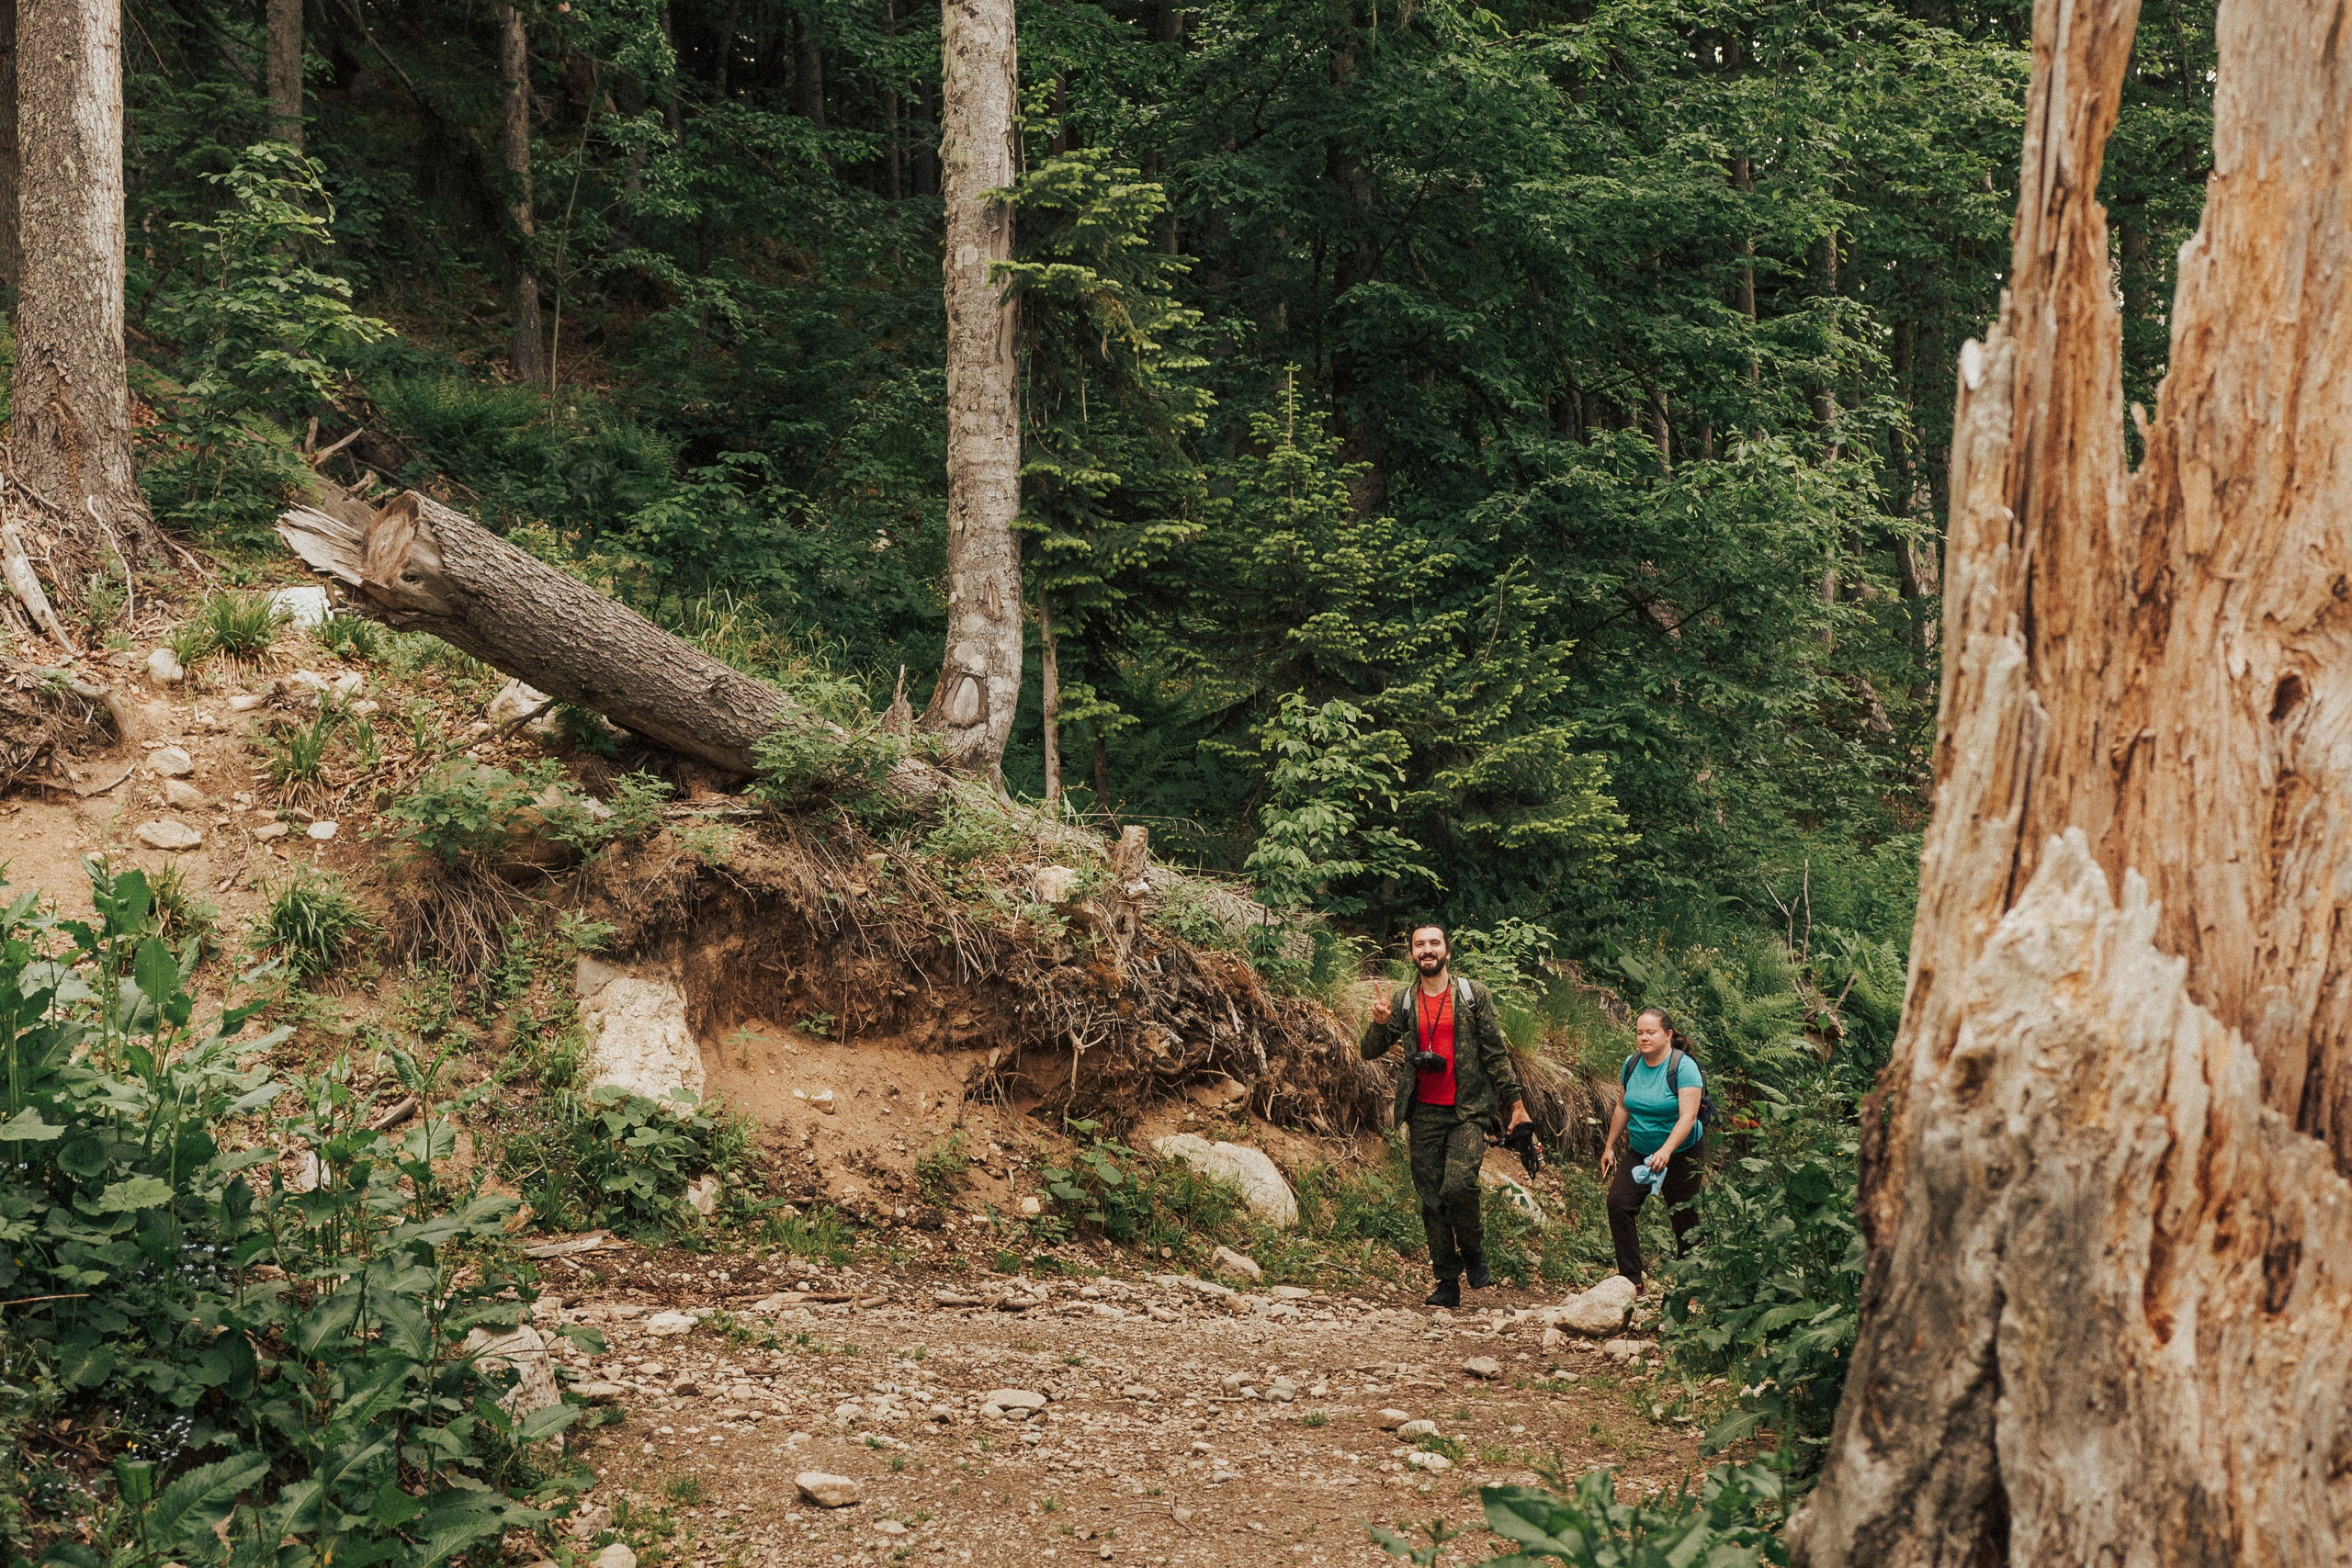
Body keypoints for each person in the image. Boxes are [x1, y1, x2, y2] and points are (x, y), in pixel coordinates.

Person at [1360, 923, 1531, 1308]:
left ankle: (1472, 1250)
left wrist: (1516, 1102)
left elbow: (1495, 1052)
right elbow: (1368, 1051)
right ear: (1411, 954)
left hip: (1468, 1109)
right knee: (1432, 1200)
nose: (1427, 949)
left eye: (1434, 943)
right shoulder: (1405, 1001)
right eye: (1420, 944)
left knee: (1458, 1186)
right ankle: (1447, 1281)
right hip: (1423, 1113)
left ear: (1447, 951)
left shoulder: (1473, 996)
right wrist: (1381, 1022)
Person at [1600, 1006, 1705, 1292]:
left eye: (1651, 1032)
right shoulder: (1631, 1064)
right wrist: (1609, 1146)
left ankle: (1692, 1288)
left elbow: (1688, 1117)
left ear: (1668, 1034)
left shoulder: (1684, 1067)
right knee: (1619, 1204)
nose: (1643, 1038)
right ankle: (1632, 1282)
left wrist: (1667, 1150)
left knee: (1683, 1217)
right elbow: (1623, 1106)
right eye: (1639, 1033)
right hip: (1641, 1151)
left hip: (1682, 1152)